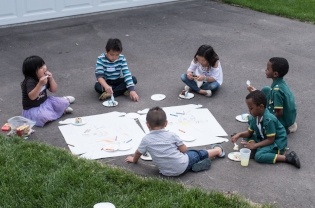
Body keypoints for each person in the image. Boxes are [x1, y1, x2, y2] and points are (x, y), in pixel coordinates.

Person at [125, 106, 225, 176]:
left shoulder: (146, 139)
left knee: (189, 158)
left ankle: (195, 165)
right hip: (182, 165)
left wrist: (134, 160)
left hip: (165, 172)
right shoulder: (172, 135)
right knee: (196, 153)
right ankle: (218, 151)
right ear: (166, 123)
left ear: (147, 125)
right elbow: (184, 150)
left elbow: (138, 152)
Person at [231, 90, 300, 168]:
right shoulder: (254, 117)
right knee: (246, 137)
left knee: (259, 156)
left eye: (251, 108)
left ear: (261, 107)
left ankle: (288, 158)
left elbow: (271, 140)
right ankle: (255, 148)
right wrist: (239, 134)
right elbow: (249, 133)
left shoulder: (269, 120)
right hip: (264, 137)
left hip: (277, 142)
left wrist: (255, 145)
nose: (249, 111)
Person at [21, 55, 75, 127]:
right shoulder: (30, 82)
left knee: (63, 102)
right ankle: (62, 111)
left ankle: (64, 100)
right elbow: (32, 97)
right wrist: (40, 84)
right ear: (32, 72)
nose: (44, 68)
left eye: (43, 65)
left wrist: (51, 79)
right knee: (43, 117)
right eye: (40, 68)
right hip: (33, 108)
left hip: (45, 102)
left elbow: (54, 90)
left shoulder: (43, 77)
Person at [247, 57, 297, 134]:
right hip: (290, 117)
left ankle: (283, 127)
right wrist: (255, 92)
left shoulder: (276, 91)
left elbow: (279, 113)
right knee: (266, 89)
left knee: (252, 119)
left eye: (268, 69)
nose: (265, 70)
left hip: (284, 120)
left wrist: (266, 121)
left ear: (275, 74)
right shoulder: (280, 84)